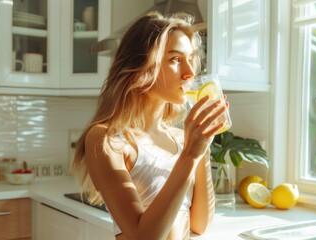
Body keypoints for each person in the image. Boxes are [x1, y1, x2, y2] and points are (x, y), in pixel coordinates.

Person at [72, 11, 229, 240]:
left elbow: (199, 225)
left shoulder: (181, 139)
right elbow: (143, 237)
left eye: (190, 58)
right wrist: (190, 155)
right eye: (175, 59)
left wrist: (201, 145)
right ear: (141, 65)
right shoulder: (107, 140)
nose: (190, 73)